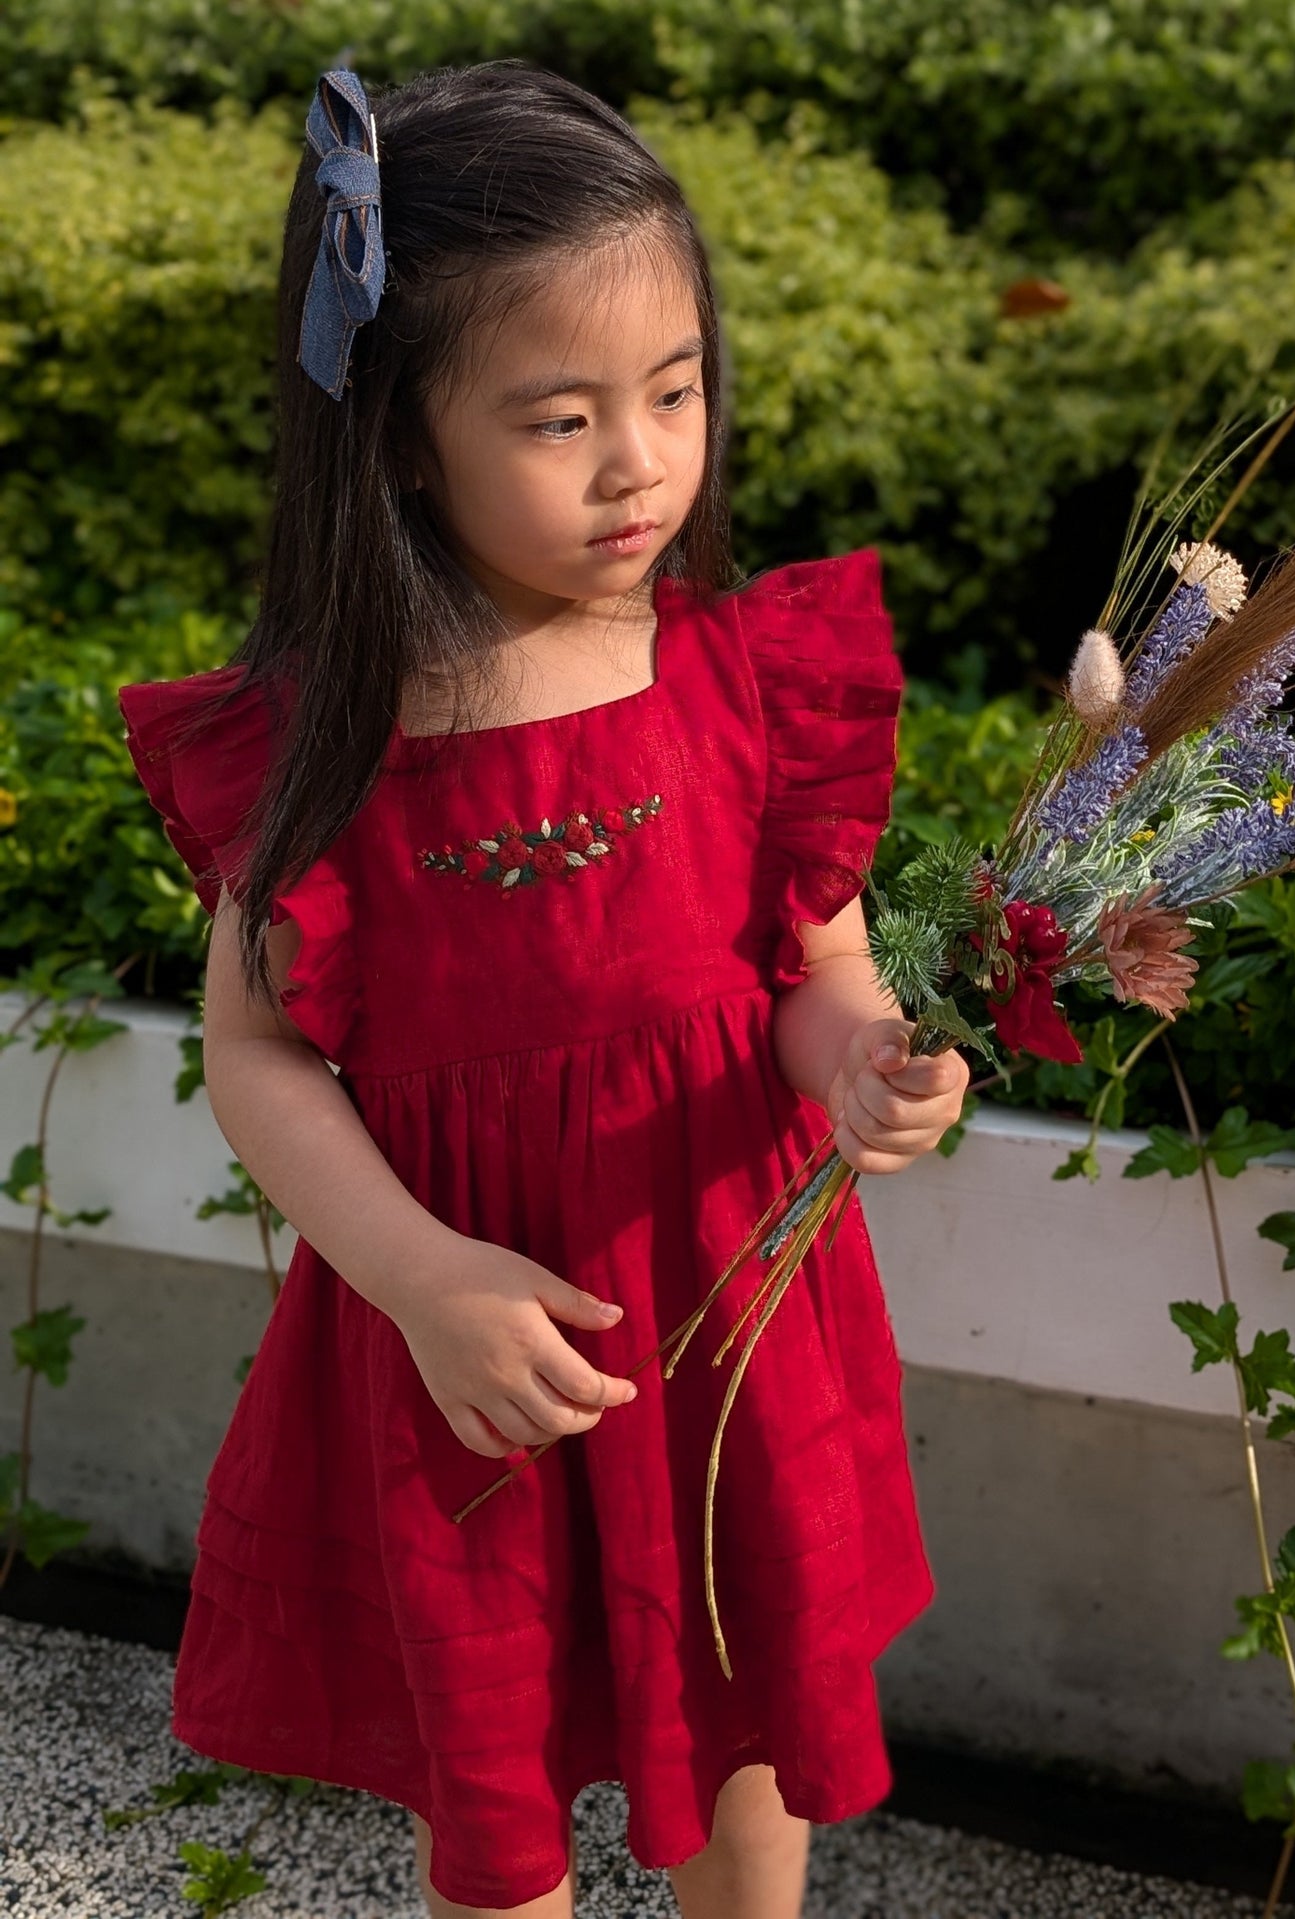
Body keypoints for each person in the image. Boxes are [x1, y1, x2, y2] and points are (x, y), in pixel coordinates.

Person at [117, 58, 968, 1919]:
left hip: (729, 1306)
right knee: (490, 1772)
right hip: (476, 1353)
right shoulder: (327, 742)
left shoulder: (743, 679)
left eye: (674, 393)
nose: (640, 461)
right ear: (403, 437)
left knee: (752, 1719)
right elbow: (259, 1053)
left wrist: (866, 1068)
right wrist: (418, 1276)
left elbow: (811, 974)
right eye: (560, 416)